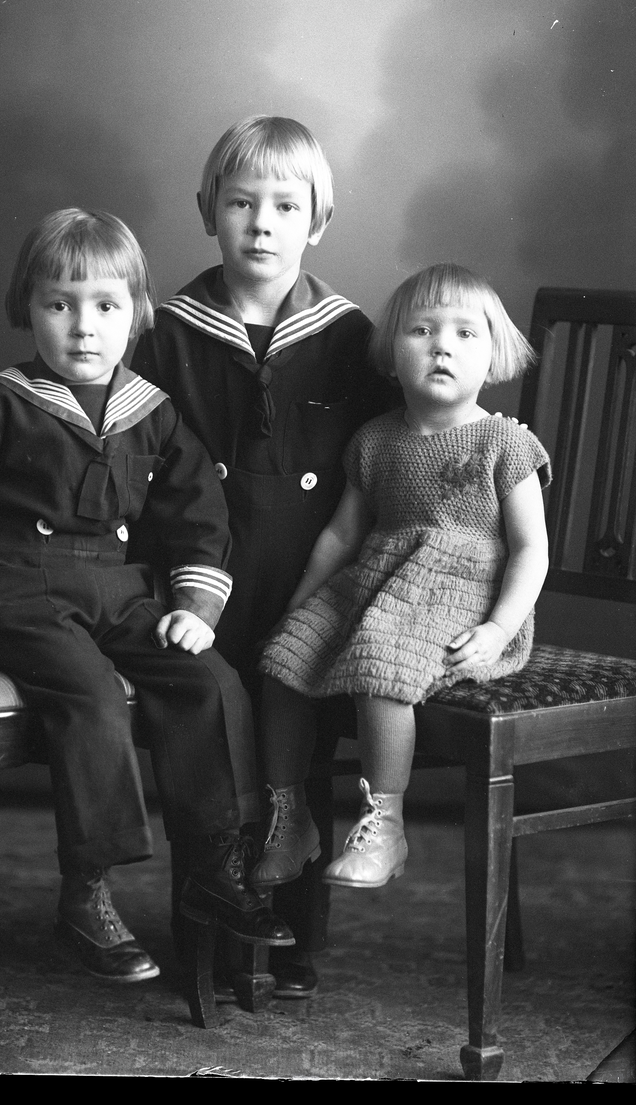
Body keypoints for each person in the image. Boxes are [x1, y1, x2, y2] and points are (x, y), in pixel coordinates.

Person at [0, 207, 293, 987]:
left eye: (106, 306)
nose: (84, 327)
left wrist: (196, 610)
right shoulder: (1, 404)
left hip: (119, 589)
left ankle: (214, 867)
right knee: (91, 693)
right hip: (19, 588)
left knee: (210, 683)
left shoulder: (153, 413)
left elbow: (199, 520)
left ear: (136, 313)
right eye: (60, 304)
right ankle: (86, 889)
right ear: (28, 308)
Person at [130, 116, 397, 998]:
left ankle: (294, 949)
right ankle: (204, 940)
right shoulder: (167, 334)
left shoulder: (350, 337)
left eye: (286, 206)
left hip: (310, 578)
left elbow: (390, 457)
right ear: (207, 210)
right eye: (241, 203)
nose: (262, 223)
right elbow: (134, 457)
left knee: (299, 752)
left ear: (319, 221)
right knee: (209, 743)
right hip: (200, 581)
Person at [252, 263, 550, 892]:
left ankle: (385, 825)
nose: (442, 346)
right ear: (390, 353)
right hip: (379, 582)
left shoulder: (505, 444)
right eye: (422, 330)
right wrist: (299, 604)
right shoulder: (375, 440)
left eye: (466, 334)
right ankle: (292, 818)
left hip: (465, 595)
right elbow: (342, 536)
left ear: (494, 355)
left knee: (380, 665)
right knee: (281, 659)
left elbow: (531, 551)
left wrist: (500, 628)